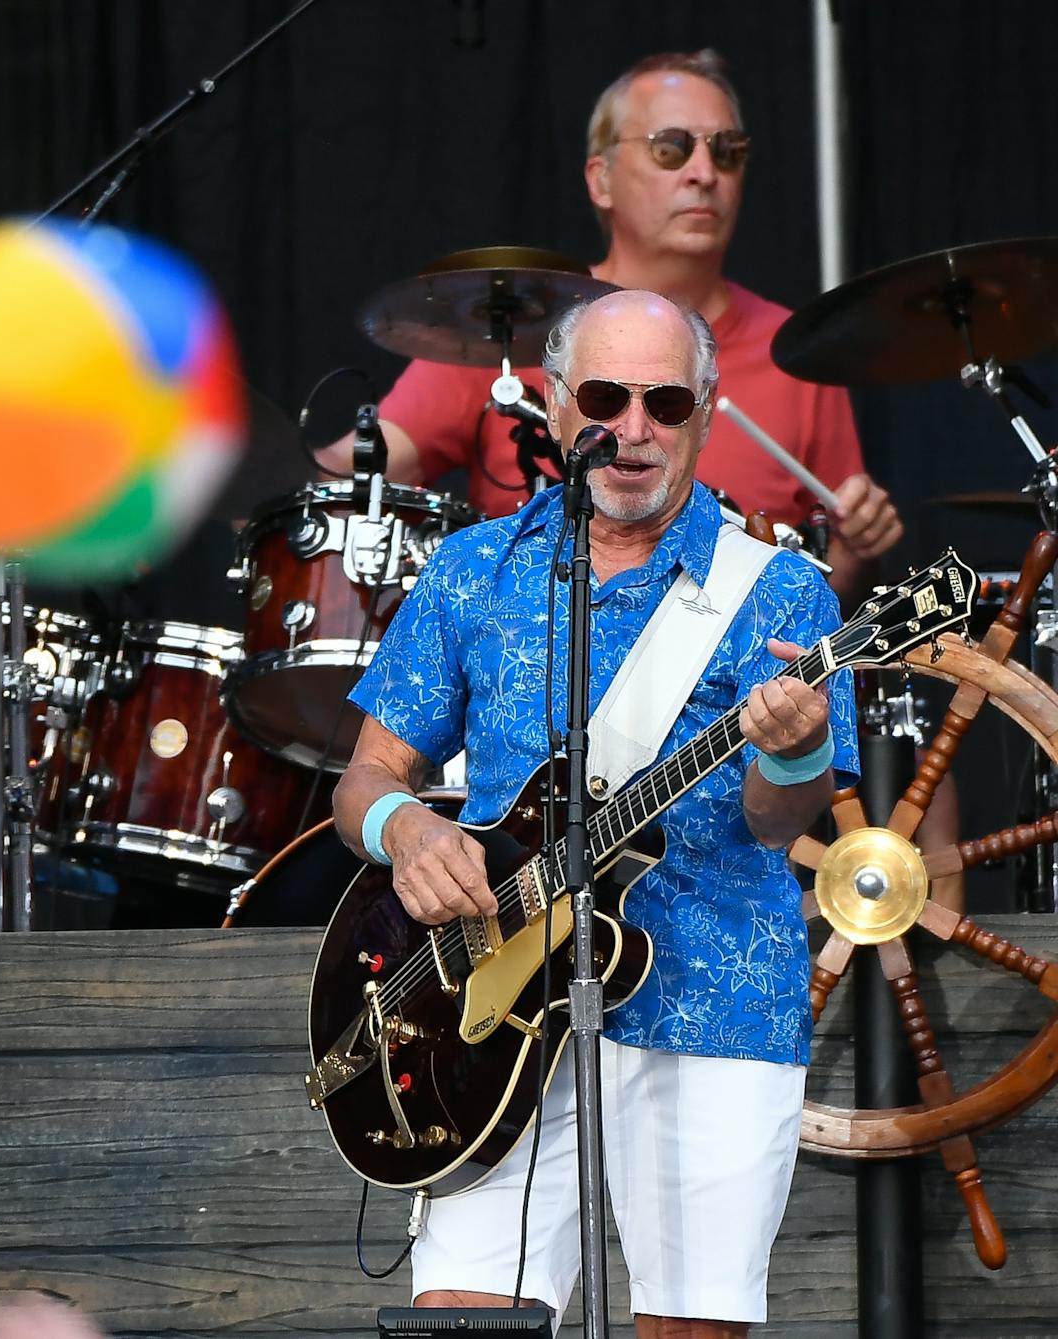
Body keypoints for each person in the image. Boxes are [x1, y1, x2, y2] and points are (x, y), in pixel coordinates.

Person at [333, 289, 859, 1337]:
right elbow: (361, 782)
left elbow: (772, 820)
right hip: (487, 1002)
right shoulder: (471, 567)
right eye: (607, 397)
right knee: (460, 1323)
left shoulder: (782, 592)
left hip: (707, 993)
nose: (633, 428)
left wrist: (793, 746)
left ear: (705, 412)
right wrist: (407, 829)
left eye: (664, 401)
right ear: (552, 402)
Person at [319, 49, 901, 605]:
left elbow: (828, 595)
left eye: (727, 151)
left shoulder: (795, 354)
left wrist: (858, 547)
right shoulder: (511, 323)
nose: (705, 172)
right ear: (600, 179)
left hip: (722, 698)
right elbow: (347, 480)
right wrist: (256, 465)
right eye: (672, 148)